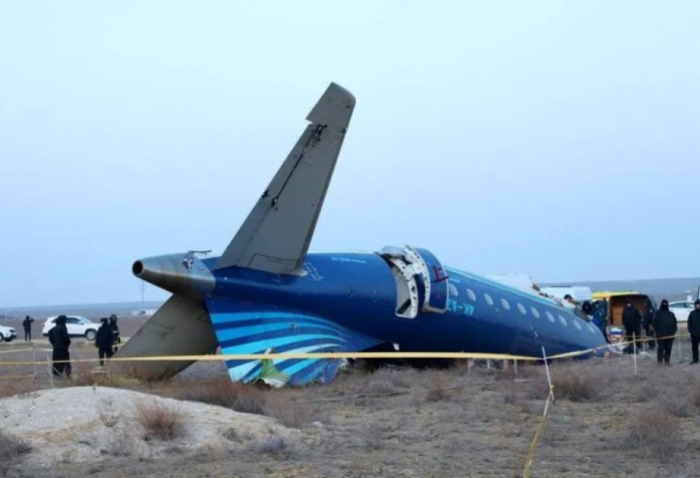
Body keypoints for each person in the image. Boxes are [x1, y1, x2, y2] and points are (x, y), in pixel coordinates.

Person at [652, 299, 678, 365]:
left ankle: (667, 361)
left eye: (666, 304)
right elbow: (654, 323)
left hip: (670, 335)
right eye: (664, 304)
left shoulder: (671, 314)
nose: (665, 305)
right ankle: (660, 361)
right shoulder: (658, 314)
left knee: (668, 348)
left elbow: (674, 324)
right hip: (661, 335)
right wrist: (657, 332)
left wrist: (673, 332)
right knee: (661, 348)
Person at [687, 300, 700, 364]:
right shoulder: (692, 313)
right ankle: (695, 359)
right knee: (694, 348)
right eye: (696, 304)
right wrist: (691, 331)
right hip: (694, 334)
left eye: (698, 304)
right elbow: (689, 323)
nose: (697, 305)